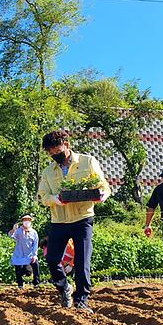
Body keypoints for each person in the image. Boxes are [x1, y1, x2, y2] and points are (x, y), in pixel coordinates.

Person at [37, 130, 110, 313]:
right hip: (59, 220)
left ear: (67, 145)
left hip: (82, 218)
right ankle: (64, 288)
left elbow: (103, 185)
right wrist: (56, 199)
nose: (54, 154)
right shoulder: (48, 172)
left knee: (82, 260)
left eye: (56, 150)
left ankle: (82, 300)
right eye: (50, 152)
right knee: (53, 259)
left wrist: (102, 195)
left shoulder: (87, 161)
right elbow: (43, 196)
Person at [9, 215, 40, 289]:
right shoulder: (18, 231)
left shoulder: (34, 232)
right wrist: (13, 229)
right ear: (22, 221)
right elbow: (11, 235)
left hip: (29, 255)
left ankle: (36, 283)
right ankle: (20, 285)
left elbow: (35, 244)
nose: (26, 221)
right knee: (18, 269)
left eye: (28, 220)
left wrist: (34, 255)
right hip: (19, 254)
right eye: (25, 220)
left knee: (35, 265)